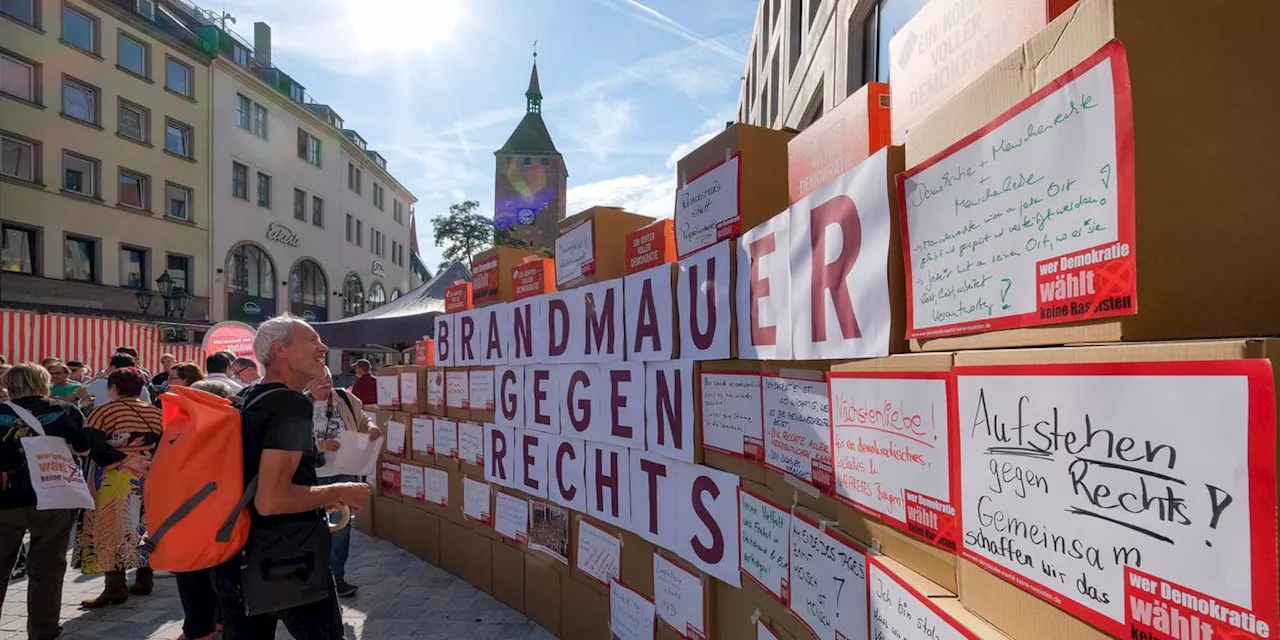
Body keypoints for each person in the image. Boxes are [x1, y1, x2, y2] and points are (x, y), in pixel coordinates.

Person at [214, 314, 369, 639]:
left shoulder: (248, 399)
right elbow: (271, 500)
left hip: (237, 562)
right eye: (311, 340)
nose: (323, 347)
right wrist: (340, 490)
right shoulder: (290, 404)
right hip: (288, 563)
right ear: (278, 350)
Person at [0, 364, 92, 640]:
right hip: (55, 494)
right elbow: (83, 447)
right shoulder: (65, 410)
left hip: (6, 498)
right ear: (44, 382)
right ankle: (43, 630)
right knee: (48, 567)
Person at [79, 367, 163, 607]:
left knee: (110, 529)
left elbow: (93, 447)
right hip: (150, 476)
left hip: (113, 478)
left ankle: (115, 587)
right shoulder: (156, 413)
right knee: (145, 525)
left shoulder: (103, 412)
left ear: (113, 388)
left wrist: (125, 459)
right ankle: (144, 578)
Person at [304, 368, 381, 597]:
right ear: (308, 382)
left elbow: (362, 418)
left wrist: (370, 428)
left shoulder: (346, 398)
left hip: (345, 471)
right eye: (319, 380)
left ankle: (336, 578)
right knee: (313, 529)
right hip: (314, 476)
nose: (325, 383)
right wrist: (320, 446)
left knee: (341, 529)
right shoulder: (299, 404)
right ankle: (313, 578)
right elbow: (292, 441)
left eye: (327, 378)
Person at [170, 380, 232, 640]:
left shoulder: (184, 427)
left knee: (192, 574)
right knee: (219, 570)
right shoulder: (232, 424)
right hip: (222, 511)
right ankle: (217, 622)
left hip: (190, 512)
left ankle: (197, 630)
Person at [86, 354, 152, 408]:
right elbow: (147, 405)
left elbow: (79, 392)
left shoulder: (101, 383)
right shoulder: (141, 388)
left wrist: (96, 378)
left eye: (108, 366)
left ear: (113, 367)